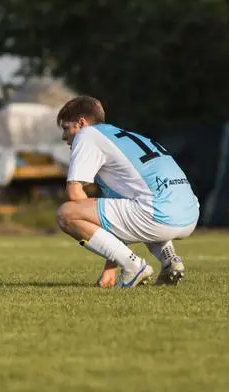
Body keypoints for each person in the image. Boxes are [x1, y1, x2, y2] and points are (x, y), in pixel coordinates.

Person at [54, 96, 200, 288]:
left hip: (159, 215)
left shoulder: (87, 135)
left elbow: (75, 194)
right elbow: (115, 217)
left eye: (66, 128)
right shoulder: (121, 136)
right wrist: (110, 268)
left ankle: (134, 266)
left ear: (82, 123)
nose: (65, 137)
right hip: (189, 214)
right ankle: (169, 260)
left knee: (67, 214)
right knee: (140, 203)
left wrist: (123, 260)